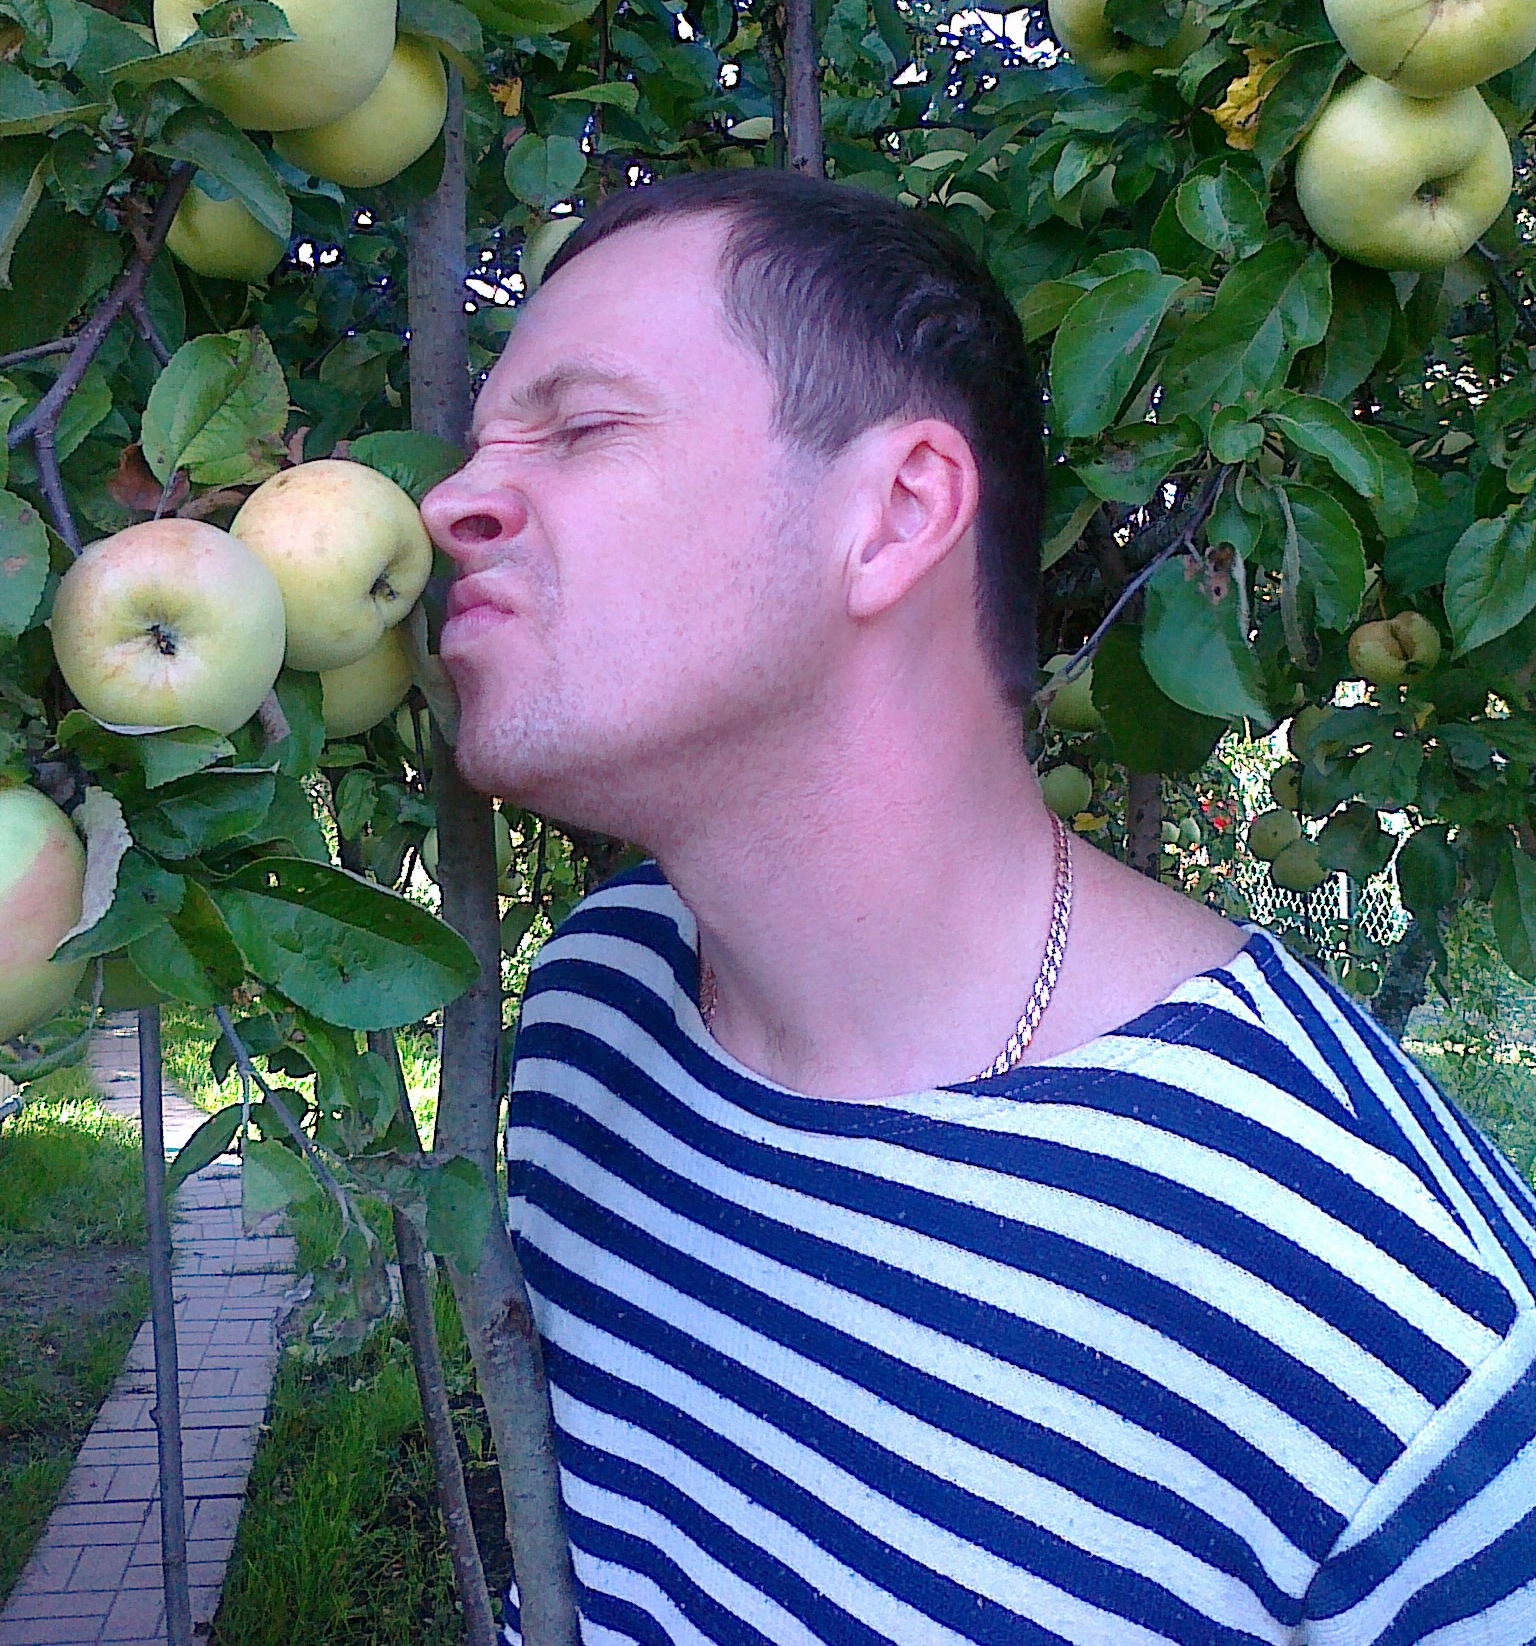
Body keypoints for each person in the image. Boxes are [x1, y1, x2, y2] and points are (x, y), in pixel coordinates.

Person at [421, 172, 1536, 1646]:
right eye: (479, 443)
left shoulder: (1395, 1324)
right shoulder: (598, 1002)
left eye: (580, 429)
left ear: (897, 513)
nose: (446, 504)